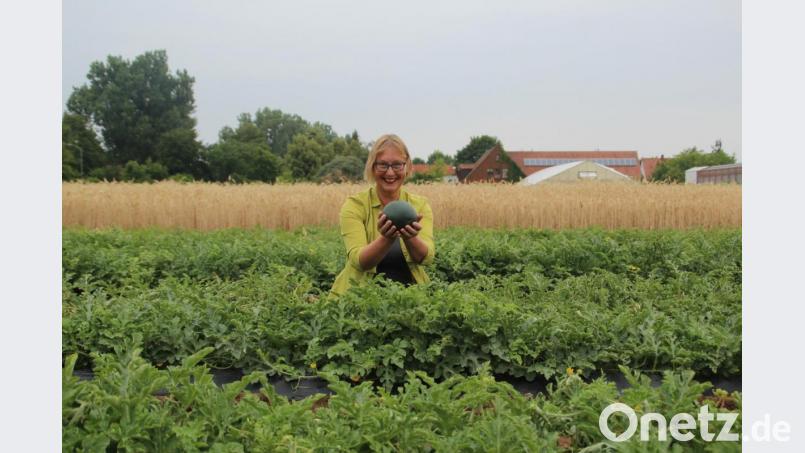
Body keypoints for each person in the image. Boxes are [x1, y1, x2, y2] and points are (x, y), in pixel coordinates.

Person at [330, 134, 435, 295]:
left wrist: (411, 238)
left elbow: (426, 258)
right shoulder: (355, 206)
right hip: (358, 299)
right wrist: (386, 238)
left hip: (410, 300)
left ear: (406, 166)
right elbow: (359, 261)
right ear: (372, 167)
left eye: (397, 165)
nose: (390, 172)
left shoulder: (419, 206)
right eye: (383, 165)